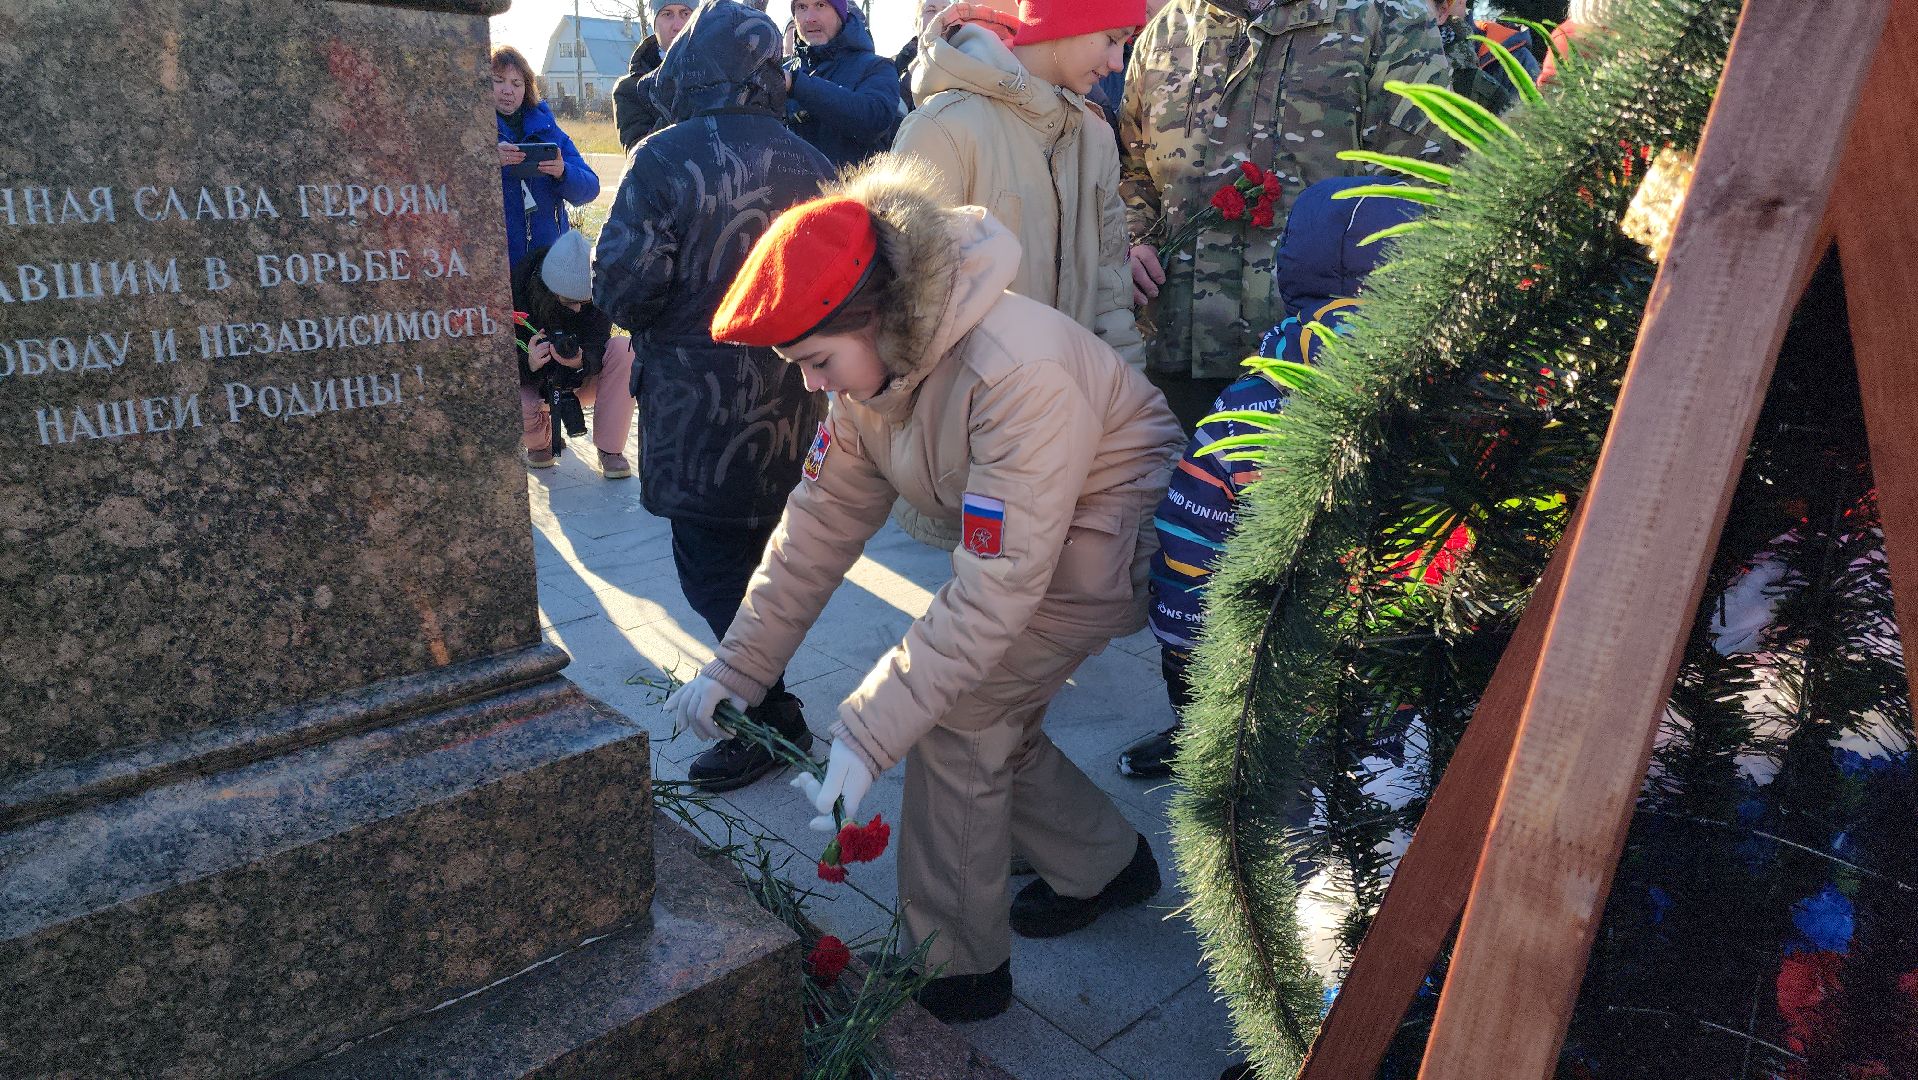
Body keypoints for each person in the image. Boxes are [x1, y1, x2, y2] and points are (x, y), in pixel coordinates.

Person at [667, 155, 1186, 1023]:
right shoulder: (881, 365)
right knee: (985, 717)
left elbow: (999, 588)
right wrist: (738, 669)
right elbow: (819, 523)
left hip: (1098, 547)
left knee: (959, 723)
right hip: (1031, 546)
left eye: (817, 359)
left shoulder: (1011, 369)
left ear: (872, 315)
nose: (811, 383)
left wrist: (866, 738)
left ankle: (955, 972)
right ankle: (1105, 864)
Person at [593, 0, 836, 791]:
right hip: (797, 399)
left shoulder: (663, 157)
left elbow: (624, 287)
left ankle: (769, 717)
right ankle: (768, 701)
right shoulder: (813, 158)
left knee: (709, 570)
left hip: (701, 411)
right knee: (768, 553)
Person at [1120, 176, 1419, 777]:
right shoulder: (1439, 399)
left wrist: (1185, 661)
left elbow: (1191, 540)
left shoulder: (1249, 410)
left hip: (1269, 673)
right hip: (1402, 669)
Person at [1119, 0, 1448, 420]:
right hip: (1170, 362)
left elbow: (1419, 189)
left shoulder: (1387, 21)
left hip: (1314, 372)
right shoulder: (1166, 31)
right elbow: (1132, 170)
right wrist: (1136, 239)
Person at [895, 0, 1144, 370]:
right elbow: (905, 313)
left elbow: (1111, 291)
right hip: (972, 416)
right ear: (1066, 19)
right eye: (1110, 39)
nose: (1116, 64)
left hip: (1076, 406)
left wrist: (1129, 404)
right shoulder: (943, 128)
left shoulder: (1096, 139)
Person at [513, 230, 636, 477]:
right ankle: (540, 442)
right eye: (570, 302)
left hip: (582, 380)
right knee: (518, 398)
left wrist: (581, 360)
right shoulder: (518, 292)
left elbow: (599, 342)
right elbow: (496, 362)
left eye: (585, 302)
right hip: (537, 387)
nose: (579, 309)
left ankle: (610, 450)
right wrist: (529, 364)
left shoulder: (596, 289)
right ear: (549, 290)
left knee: (624, 349)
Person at [492, 45, 600, 274]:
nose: (507, 90)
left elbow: (590, 187)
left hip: (549, 264)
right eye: (498, 80)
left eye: (516, 83)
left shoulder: (548, 129)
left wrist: (563, 172)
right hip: (495, 264)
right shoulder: (469, 133)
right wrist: (488, 161)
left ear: (527, 88)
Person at [784, 0, 902, 168]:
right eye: (802, 7)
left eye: (820, 5)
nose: (810, 18)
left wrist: (797, 85)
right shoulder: (782, 72)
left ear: (840, 13)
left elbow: (875, 120)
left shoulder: (876, 67)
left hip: (852, 192)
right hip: (787, 192)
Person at [612, 0, 696, 150]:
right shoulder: (630, 89)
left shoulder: (728, 73)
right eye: (667, 14)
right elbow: (641, 157)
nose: (678, 26)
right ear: (653, 22)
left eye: (685, 14)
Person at [889, 0, 948, 111]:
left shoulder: (969, 56)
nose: (940, 15)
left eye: (946, 9)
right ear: (916, 23)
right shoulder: (892, 67)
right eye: (931, 10)